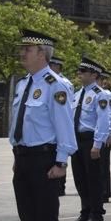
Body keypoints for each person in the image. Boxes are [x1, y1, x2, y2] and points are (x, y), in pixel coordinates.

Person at [5, 30, 77, 221]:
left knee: (45, 216)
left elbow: (64, 127)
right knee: (28, 215)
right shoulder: (24, 83)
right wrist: (16, 153)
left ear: (42, 54)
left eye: (28, 49)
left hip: (45, 159)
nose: (22, 52)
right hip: (24, 157)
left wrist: (61, 163)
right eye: (22, 48)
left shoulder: (54, 85)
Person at [68, 56, 111, 221]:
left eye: (83, 71)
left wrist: (97, 144)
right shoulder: (77, 95)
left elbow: (103, 121)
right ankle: (85, 211)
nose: (79, 73)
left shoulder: (99, 95)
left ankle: (96, 214)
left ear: (94, 75)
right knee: (80, 178)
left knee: (93, 179)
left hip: (89, 140)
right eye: (79, 70)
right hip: (77, 140)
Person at [47, 56, 70, 197]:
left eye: (52, 64)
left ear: (58, 67)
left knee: (59, 159)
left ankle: (61, 186)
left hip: (59, 129)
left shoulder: (63, 83)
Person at [97, 72, 111, 204]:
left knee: (103, 165)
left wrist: (109, 132)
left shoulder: (106, 95)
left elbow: (110, 115)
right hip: (97, 134)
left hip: (105, 135)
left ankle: (104, 192)